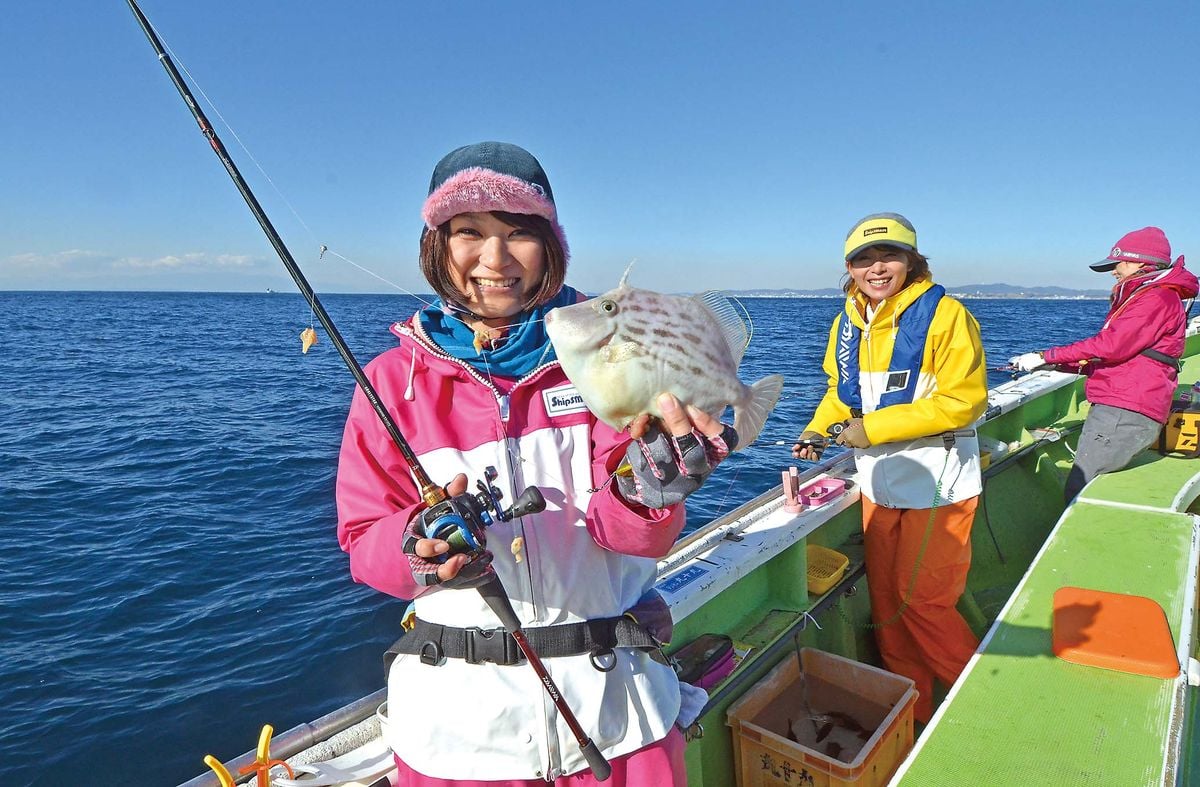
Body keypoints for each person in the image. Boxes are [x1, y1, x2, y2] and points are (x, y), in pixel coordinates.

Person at [336, 141, 733, 787]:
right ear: (437, 245)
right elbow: (363, 546)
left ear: (551, 247)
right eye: (468, 232)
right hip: (455, 740)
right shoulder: (389, 381)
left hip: (620, 718)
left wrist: (648, 487)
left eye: (518, 233)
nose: (493, 259)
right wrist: (419, 542)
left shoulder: (609, 353)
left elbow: (632, 530)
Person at [791, 212, 988, 724]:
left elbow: (963, 403)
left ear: (911, 261)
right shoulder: (847, 323)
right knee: (888, 608)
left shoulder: (946, 315)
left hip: (938, 485)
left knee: (923, 604)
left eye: (889, 256)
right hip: (880, 486)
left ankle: (982, 709)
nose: (876, 268)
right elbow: (842, 394)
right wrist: (816, 429)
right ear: (849, 268)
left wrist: (872, 430)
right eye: (863, 259)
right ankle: (919, 711)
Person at [1010, 226, 1197, 502]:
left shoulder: (1154, 298)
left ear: (1138, 262)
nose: (1113, 271)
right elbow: (1117, 358)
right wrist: (1053, 365)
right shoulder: (1151, 297)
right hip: (1127, 405)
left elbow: (1110, 346)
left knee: (1081, 490)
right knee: (1089, 486)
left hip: (1124, 409)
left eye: (1117, 264)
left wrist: (1044, 356)